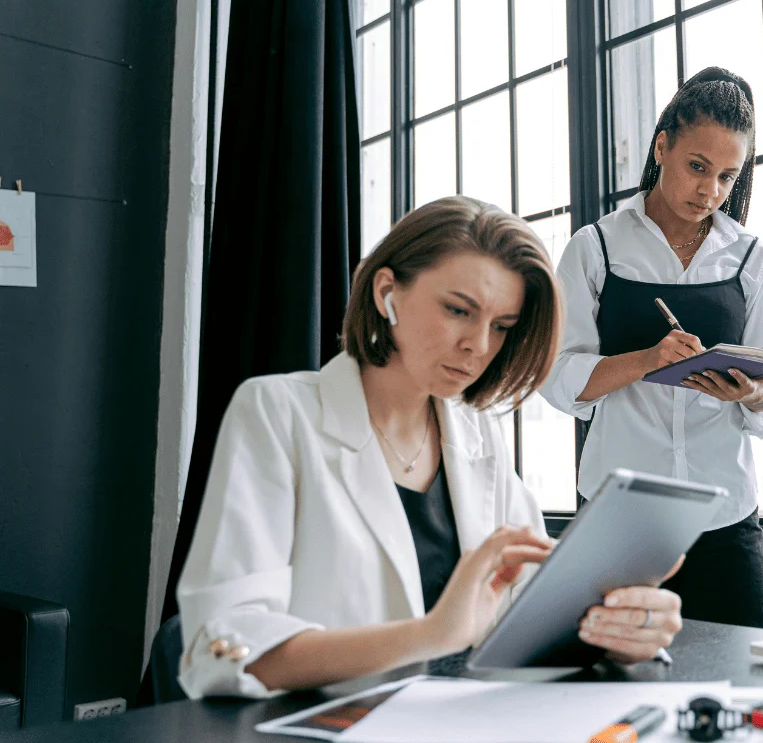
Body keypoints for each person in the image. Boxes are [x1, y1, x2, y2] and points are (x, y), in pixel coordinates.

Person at [176, 197, 684, 699]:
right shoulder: (276, 413)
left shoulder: (477, 432)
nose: (479, 346)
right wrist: (432, 634)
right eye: (458, 310)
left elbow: (526, 614)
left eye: (502, 327)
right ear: (386, 293)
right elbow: (225, 646)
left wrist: (617, 632)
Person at [541, 67, 763, 630]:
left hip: (724, 509)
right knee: (606, 688)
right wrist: (648, 360)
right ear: (662, 147)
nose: (710, 191)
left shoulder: (749, 257)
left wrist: (751, 392)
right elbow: (557, 380)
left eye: (728, 176)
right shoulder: (595, 247)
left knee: (753, 685)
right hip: (617, 516)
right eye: (697, 167)